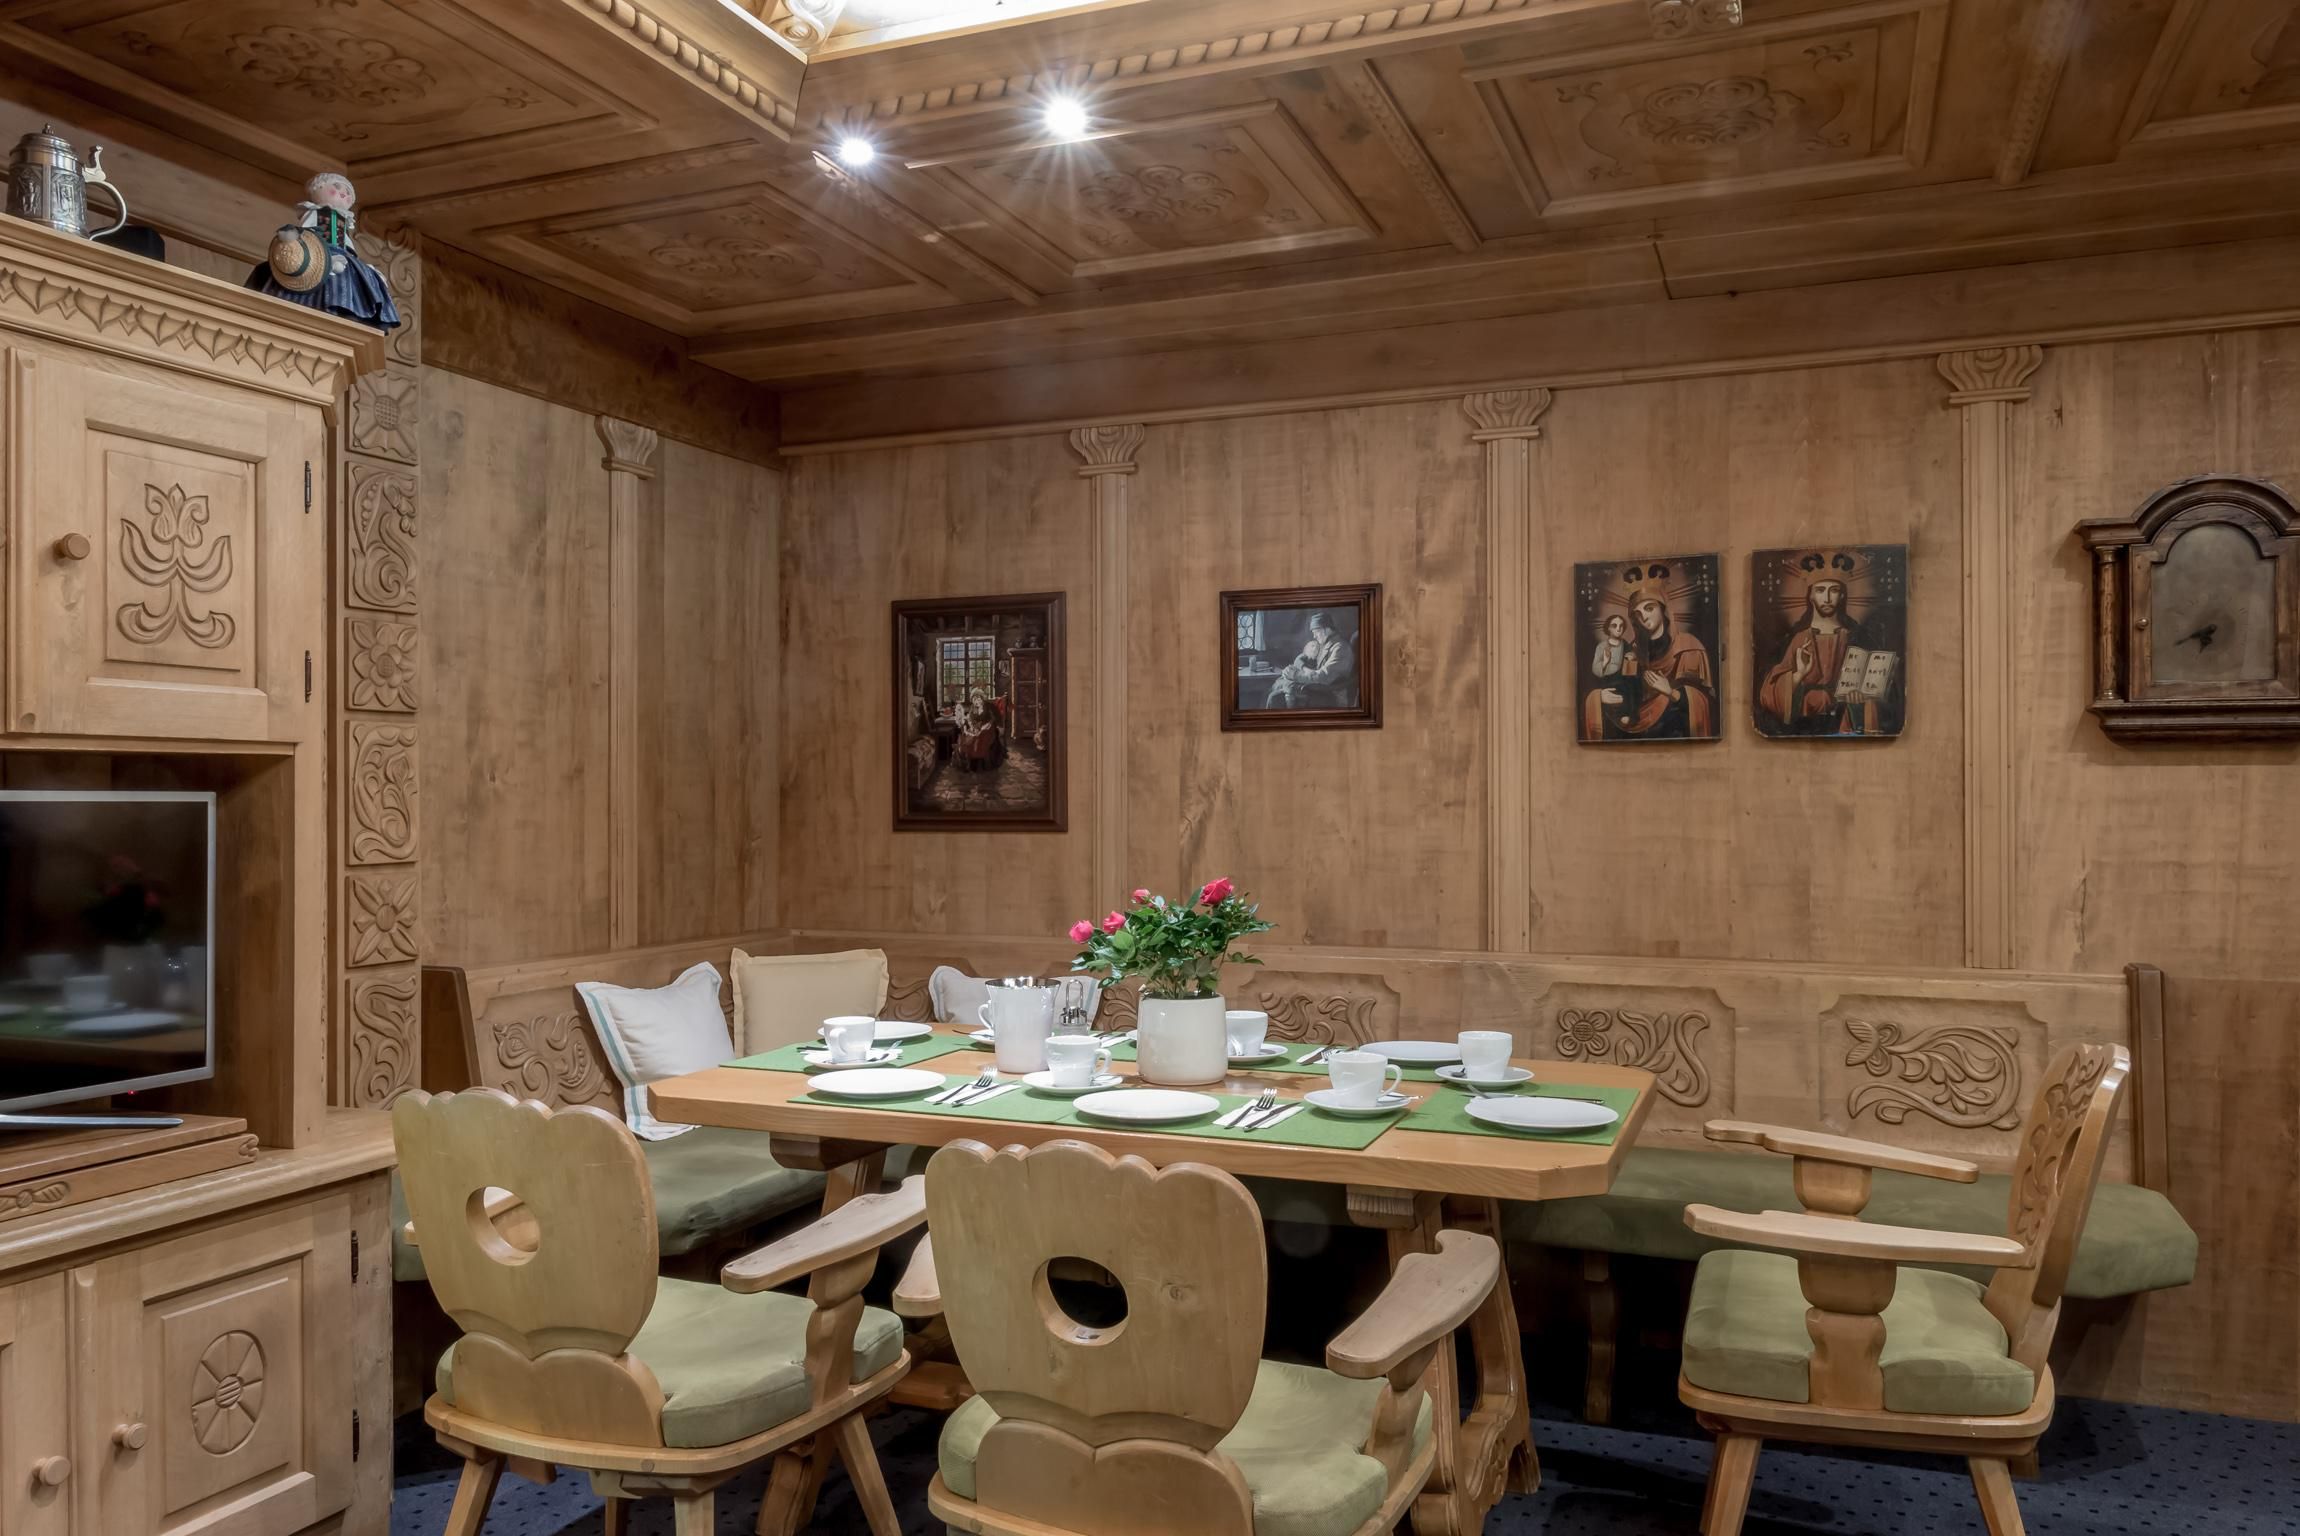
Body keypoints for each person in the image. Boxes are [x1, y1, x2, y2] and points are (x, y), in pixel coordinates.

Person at [1581, 580, 1714, 740]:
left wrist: (1671, 692)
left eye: (1649, 608)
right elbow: (1622, 689)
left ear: (1663, 609)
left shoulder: (1688, 648)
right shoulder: (1631, 652)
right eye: (1637, 614)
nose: (1643, 617)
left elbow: (1704, 704)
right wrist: (1599, 697)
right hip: (1631, 733)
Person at [1758, 571, 1858, 733]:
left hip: (1843, 721)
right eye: (1820, 590)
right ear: (1811, 595)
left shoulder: (1855, 637)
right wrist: (1799, 675)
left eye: (1834, 590)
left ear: (1841, 596)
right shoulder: (1799, 638)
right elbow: (1768, 695)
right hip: (1806, 721)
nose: (1827, 598)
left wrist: (1859, 694)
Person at [1264, 611, 1357, 709]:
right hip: (1318, 689)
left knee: (1277, 697)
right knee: (1274, 695)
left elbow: (1324, 677)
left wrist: (1295, 675)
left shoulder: (1341, 648)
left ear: (1326, 629)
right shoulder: (1322, 645)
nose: (1314, 636)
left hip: (1331, 694)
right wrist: (1301, 666)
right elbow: (1301, 659)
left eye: (1316, 632)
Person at [1590, 612, 1629, 678]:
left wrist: (1632, 658)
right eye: (1614, 626)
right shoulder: (1601, 646)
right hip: (1606, 681)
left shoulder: (1626, 645)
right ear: (1608, 628)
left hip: (1623, 681)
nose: (1618, 629)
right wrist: (1605, 662)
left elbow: (1630, 672)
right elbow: (1595, 669)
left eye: (1621, 626)